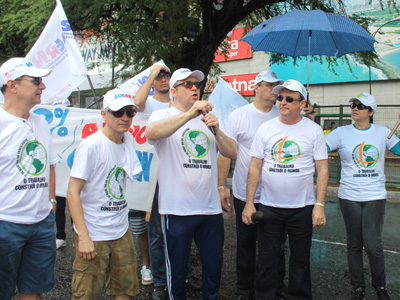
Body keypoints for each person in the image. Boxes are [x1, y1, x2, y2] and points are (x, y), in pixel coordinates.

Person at [146, 68, 237, 300]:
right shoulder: (162, 115)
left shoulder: (208, 120)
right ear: (173, 91)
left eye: (197, 84)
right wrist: (189, 115)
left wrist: (217, 131)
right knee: (176, 271)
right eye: (187, 84)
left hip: (209, 209)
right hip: (177, 209)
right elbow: (152, 132)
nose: (195, 88)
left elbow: (232, 151)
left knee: (214, 265)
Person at [243, 79, 329, 300]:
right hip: (269, 207)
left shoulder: (314, 130)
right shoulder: (266, 128)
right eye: (280, 97)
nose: (282, 101)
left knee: (300, 261)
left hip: (302, 208)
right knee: (267, 259)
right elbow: (255, 166)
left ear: (302, 103)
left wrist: (319, 205)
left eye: (289, 98)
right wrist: (250, 203)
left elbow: (323, 169)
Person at [217, 70, 287, 300]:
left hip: (275, 195)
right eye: (269, 85)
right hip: (243, 192)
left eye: (277, 86)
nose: (274, 90)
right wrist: (221, 186)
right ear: (256, 87)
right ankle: (244, 289)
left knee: (276, 245)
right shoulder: (240, 116)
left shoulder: (283, 116)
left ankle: (275, 287)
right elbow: (226, 153)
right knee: (246, 244)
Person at [67, 88, 143, 300]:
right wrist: (83, 237)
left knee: (125, 290)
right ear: (104, 114)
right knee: (86, 294)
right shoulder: (91, 146)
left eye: (130, 112)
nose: (125, 118)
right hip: (94, 232)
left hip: (120, 229)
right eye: (118, 112)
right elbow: (72, 192)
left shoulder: (127, 140)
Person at [135, 64, 201, 299]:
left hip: (179, 174)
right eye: (159, 76)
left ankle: (184, 273)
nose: (163, 79)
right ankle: (161, 281)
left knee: (183, 230)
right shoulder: (151, 105)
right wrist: (152, 73)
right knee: (157, 231)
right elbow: (137, 105)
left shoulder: (189, 106)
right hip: (152, 175)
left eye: (166, 75)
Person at [325, 93, 400, 300]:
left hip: (375, 196)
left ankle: (380, 287)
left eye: (360, 105)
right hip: (349, 196)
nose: (355, 108)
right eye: (353, 105)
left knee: (373, 245)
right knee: (354, 244)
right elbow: (320, 148)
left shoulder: (383, 133)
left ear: (371, 112)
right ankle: (358, 289)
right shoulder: (340, 132)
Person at [0, 57, 57, 300]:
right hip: (6, 224)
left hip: (41, 223)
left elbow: (50, 165)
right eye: (36, 81)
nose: (42, 86)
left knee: (33, 290)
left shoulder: (40, 122)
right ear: (12, 85)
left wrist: (51, 202)